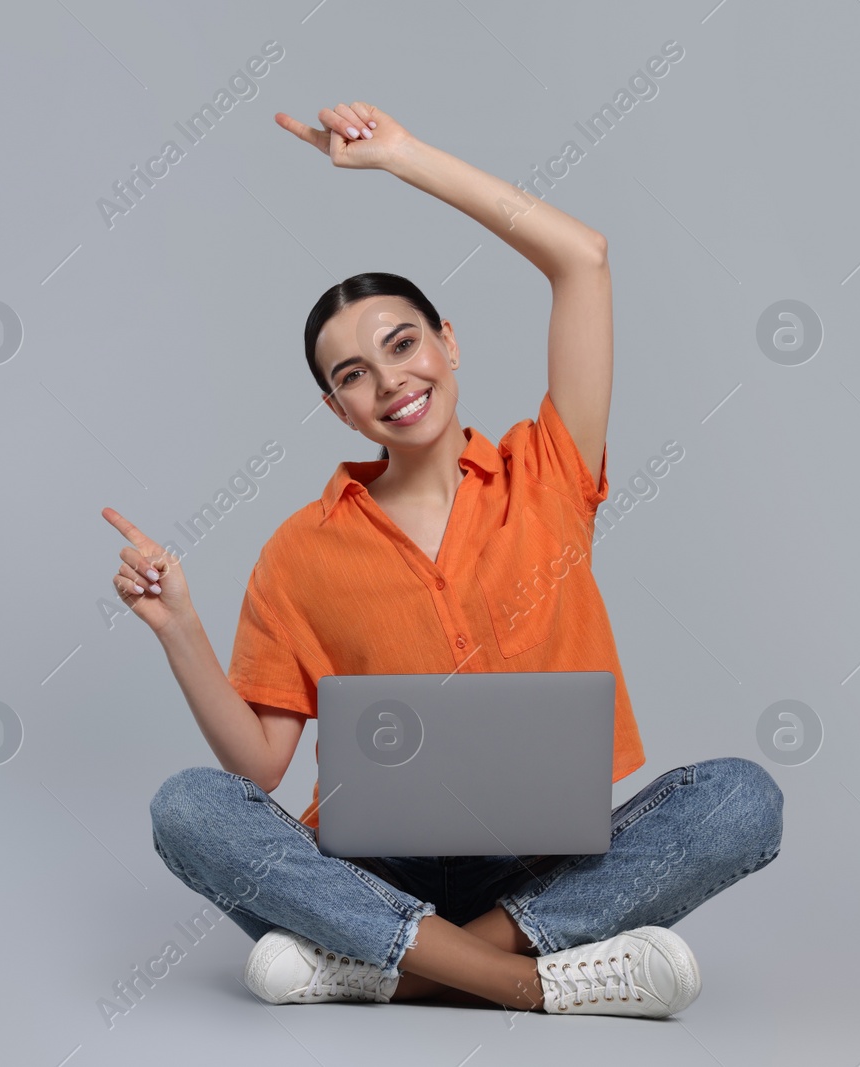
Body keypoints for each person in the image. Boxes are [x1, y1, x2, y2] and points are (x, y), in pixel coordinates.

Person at [101, 101, 782, 1018]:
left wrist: (403, 157)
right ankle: (532, 982)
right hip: (369, 868)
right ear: (340, 411)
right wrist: (178, 626)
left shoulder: (546, 472)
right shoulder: (299, 551)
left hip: (541, 863)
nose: (390, 382)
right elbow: (258, 768)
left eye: (402, 343)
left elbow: (581, 258)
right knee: (188, 807)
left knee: (741, 800)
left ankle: (383, 966)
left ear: (448, 343)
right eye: (351, 375)